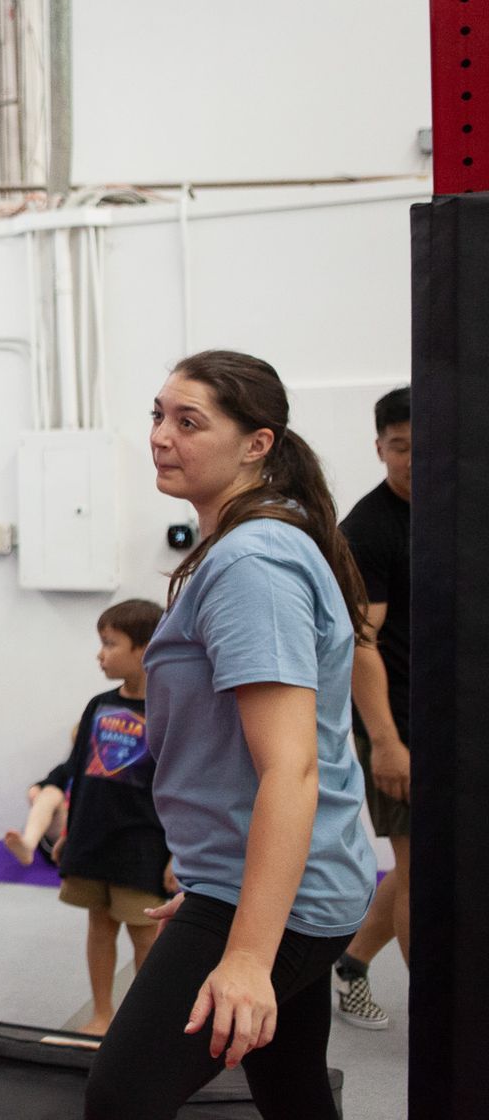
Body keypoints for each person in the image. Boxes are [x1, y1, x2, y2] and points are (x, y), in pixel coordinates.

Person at [83, 351, 376, 1120]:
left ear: (257, 444)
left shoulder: (253, 561)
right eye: (157, 415)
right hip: (272, 879)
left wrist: (247, 950)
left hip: (286, 892)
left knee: (122, 1097)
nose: (161, 437)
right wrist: (220, 878)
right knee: (290, 1089)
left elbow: (292, 769)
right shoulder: (250, 543)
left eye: (190, 422)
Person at [9, 599, 173, 1034]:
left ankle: (146, 1025)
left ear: (145, 649)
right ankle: (102, 1014)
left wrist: (178, 852)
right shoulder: (98, 705)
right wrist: (70, 832)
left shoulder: (169, 710)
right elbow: (80, 771)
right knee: (99, 926)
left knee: (145, 936)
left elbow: (181, 789)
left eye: (109, 644)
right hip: (93, 837)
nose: (99, 654)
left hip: (143, 844)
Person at [330, 385, 412, 1030]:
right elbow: (361, 644)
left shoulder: (455, 504)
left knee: (430, 861)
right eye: (400, 447)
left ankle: (352, 963)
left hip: (454, 717)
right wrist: (384, 741)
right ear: (379, 447)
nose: (413, 458)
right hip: (398, 722)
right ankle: (445, 1025)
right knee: (421, 868)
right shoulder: (367, 528)